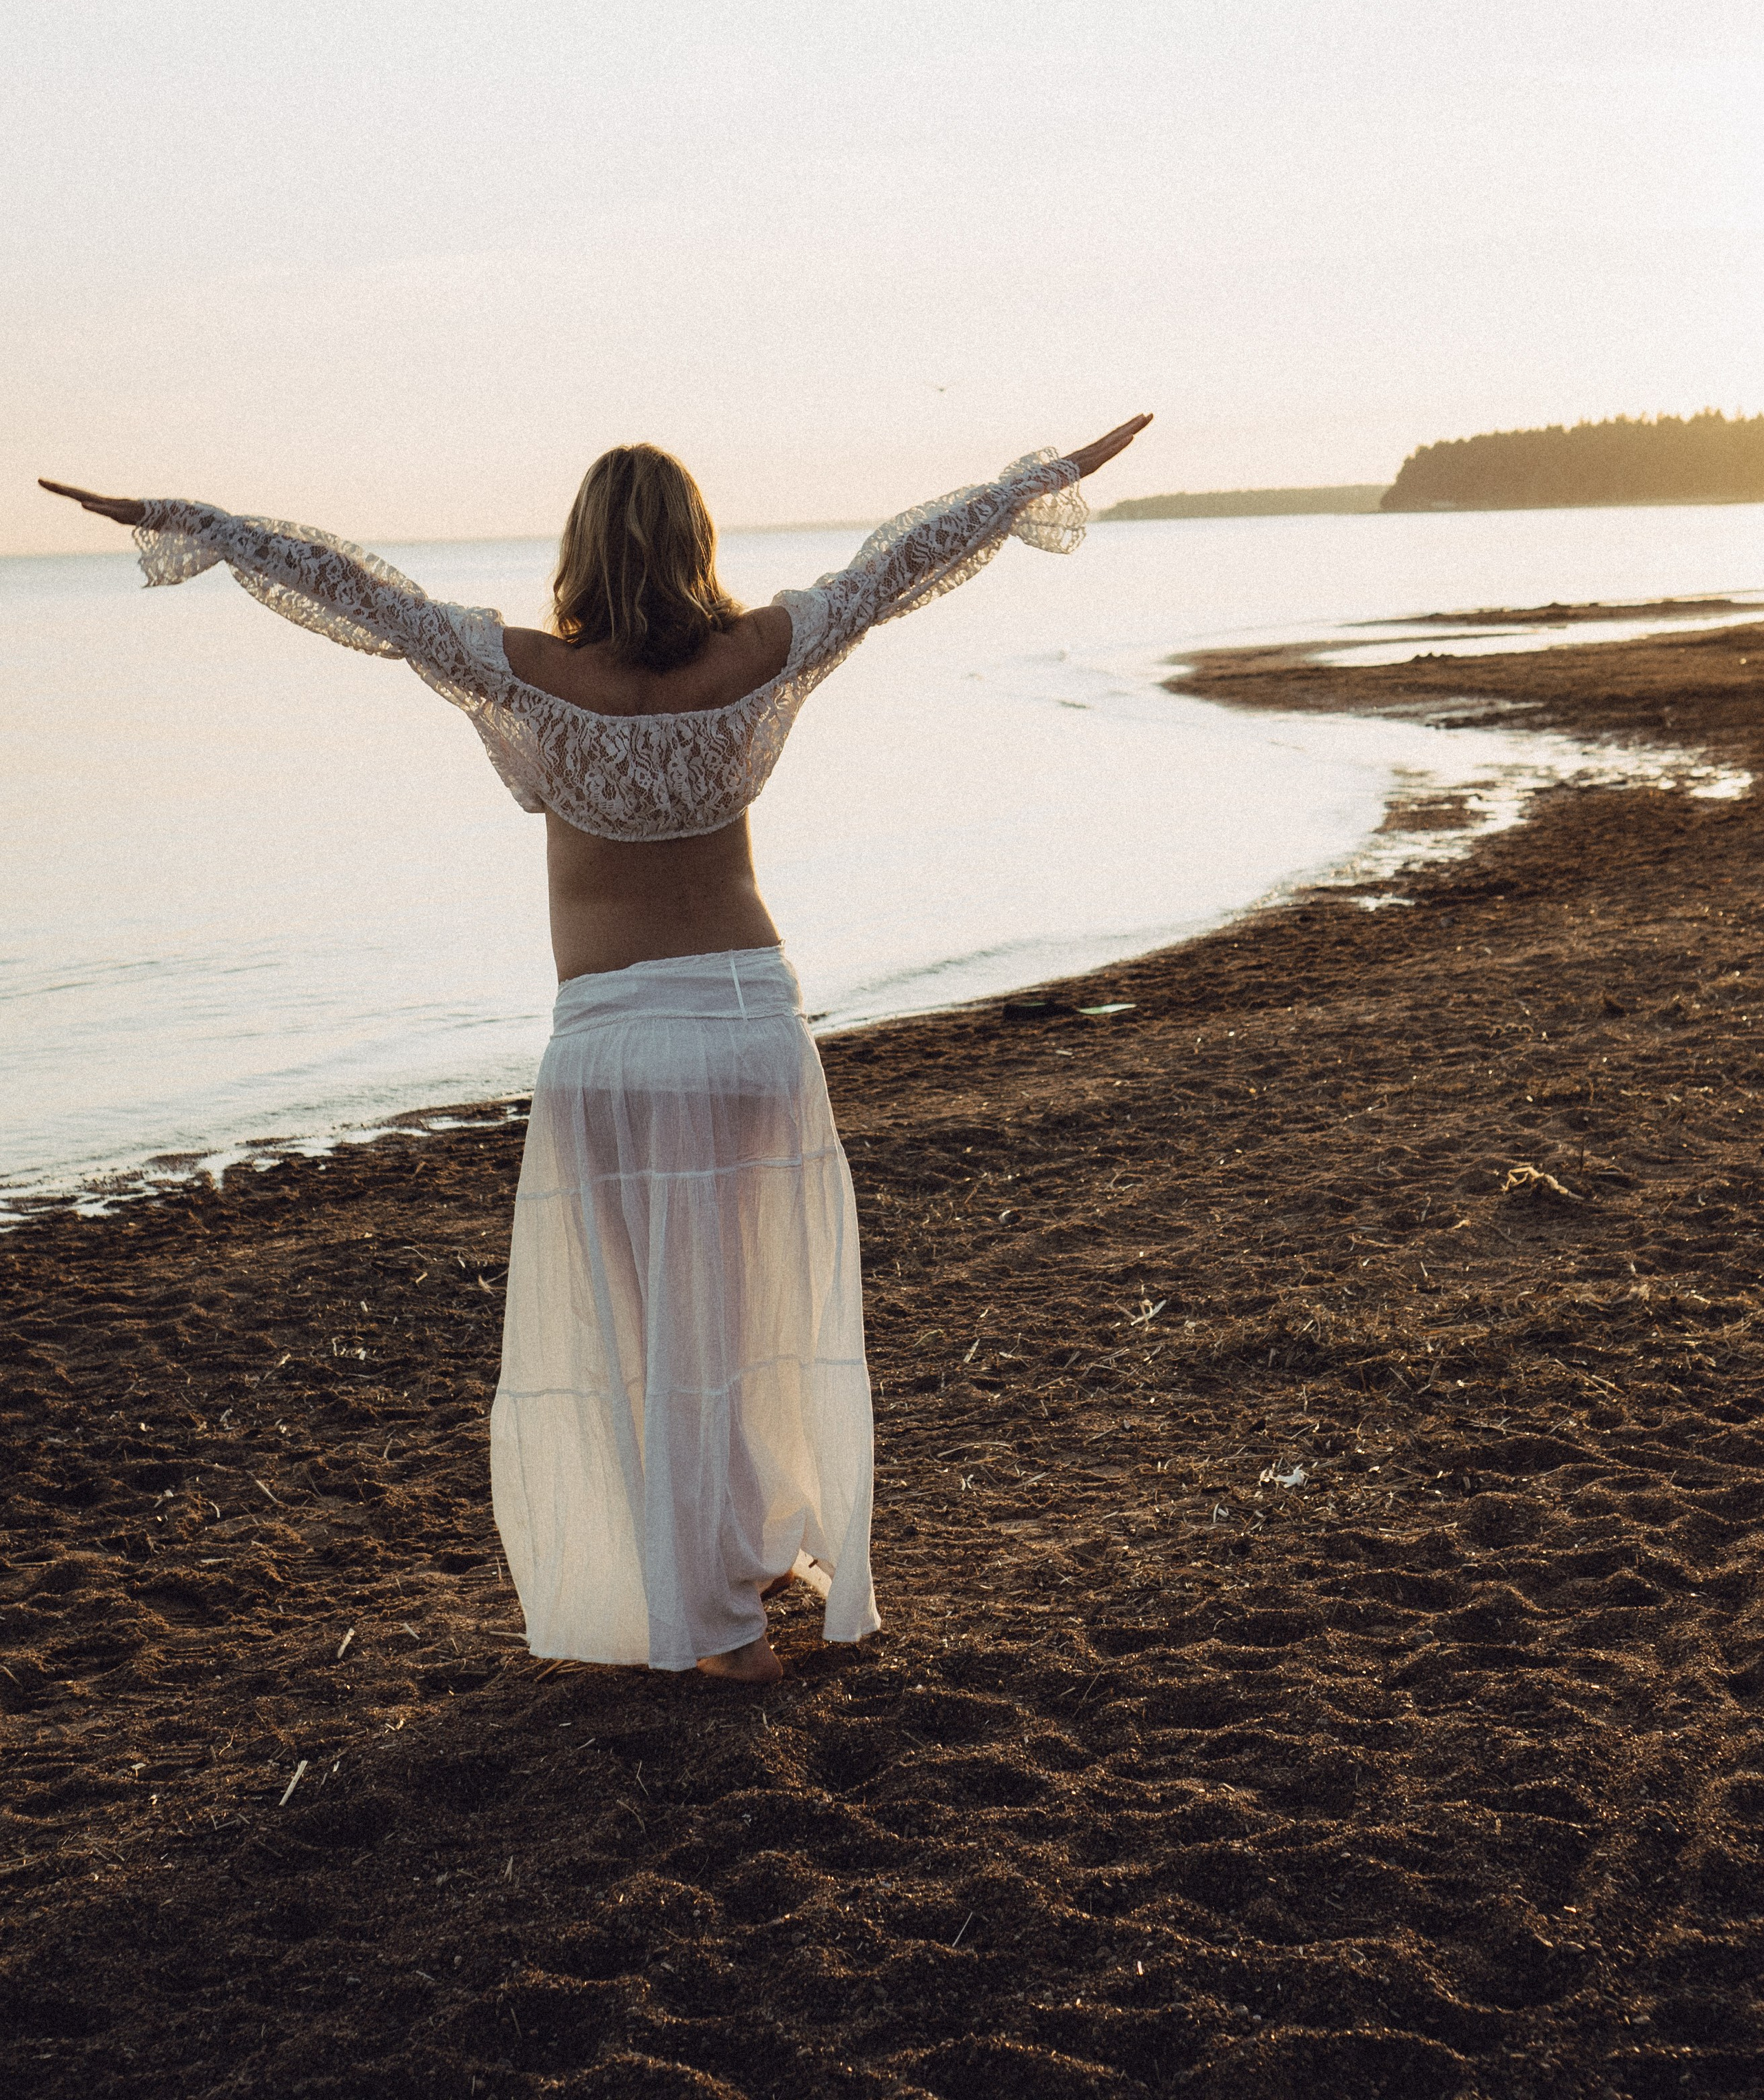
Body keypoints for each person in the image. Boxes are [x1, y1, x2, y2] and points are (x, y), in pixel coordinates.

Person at [40, 413, 1151, 1684]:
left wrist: (200, 525)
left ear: (580, 550)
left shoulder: (522, 672)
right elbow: (897, 567)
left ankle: (718, 1630)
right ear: (697, 545)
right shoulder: (759, 654)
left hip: (617, 1045)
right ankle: (755, 1557)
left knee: (647, 1343)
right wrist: (1033, 484)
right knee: (746, 1320)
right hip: (746, 1027)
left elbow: (359, 591)